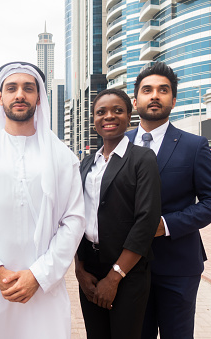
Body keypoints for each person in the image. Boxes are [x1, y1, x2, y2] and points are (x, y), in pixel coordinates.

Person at [0, 62, 86, 339]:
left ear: (39, 97)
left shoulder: (62, 156)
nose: (20, 95)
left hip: (44, 290)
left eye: (28, 88)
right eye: (11, 88)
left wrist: (38, 275)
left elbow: (74, 221)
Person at [124, 62, 211, 338]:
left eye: (163, 90)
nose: (155, 96)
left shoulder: (194, 146)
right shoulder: (118, 144)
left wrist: (165, 225)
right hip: (128, 267)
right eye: (147, 90)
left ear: (174, 99)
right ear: (136, 100)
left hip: (178, 266)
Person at [75, 88, 162, 339]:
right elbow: (76, 216)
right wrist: (79, 270)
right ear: (93, 120)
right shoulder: (87, 163)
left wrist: (114, 277)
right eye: (101, 112)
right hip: (89, 268)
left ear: (129, 116)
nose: (108, 116)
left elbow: (146, 221)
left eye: (117, 110)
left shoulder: (142, 158)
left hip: (127, 271)